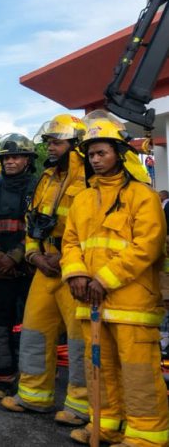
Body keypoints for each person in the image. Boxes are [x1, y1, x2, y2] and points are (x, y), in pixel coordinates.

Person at [61, 111, 169, 446]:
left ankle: (147, 436)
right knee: (100, 370)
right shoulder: (82, 199)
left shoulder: (143, 197)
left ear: (119, 154)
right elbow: (71, 242)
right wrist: (76, 274)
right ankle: (104, 425)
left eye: (101, 152)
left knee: (139, 373)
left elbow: (147, 246)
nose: (95, 159)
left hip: (131, 301)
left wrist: (104, 278)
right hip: (91, 302)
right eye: (91, 154)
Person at [0, 114, 89, 425]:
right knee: (35, 331)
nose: (51, 147)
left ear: (76, 145)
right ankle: (34, 396)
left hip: (76, 269)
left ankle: (81, 407)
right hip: (44, 266)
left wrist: (65, 258)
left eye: (58, 142)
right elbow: (32, 222)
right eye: (49, 142)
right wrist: (35, 256)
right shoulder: (47, 179)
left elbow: (94, 231)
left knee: (80, 341)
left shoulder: (88, 181)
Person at [0, 134, 37, 399]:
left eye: (16, 157)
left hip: (27, 270)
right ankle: (2, 378)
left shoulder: (38, 188)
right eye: (6, 158)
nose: (10, 162)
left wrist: (15, 257)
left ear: (28, 159)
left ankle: (30, 379)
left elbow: (37, 228)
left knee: (29, 327)